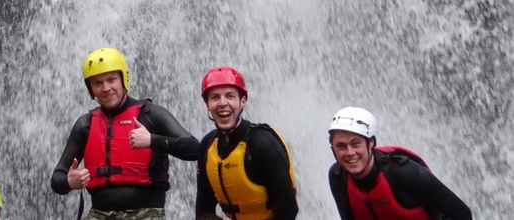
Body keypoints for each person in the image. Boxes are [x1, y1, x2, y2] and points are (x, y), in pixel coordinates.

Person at [51, 47, 200, 219]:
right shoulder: (85, 124)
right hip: (99, 214)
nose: (106, 88)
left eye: (111, 79)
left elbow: (195, 149)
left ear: (124, 79)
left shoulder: (150, 115)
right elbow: (57, 178)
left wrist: (152, 140)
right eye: (97, 83)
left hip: (146, 214)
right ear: (91, 89)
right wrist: (68, 182)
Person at [327, 106, 472, 220]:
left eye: (355, 143)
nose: (350, 152)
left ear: (371, 143)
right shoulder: (338, 177)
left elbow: (462, 214)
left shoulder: (405, 173)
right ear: (333, 149)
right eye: (341, 146)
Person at [195, 67, 298, 220]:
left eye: (230, 96)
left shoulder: (263, 144)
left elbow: (288, 210)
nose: (222, 103)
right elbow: (204, 203)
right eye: (215, 97)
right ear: (207, 104)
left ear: (242, 101)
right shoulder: (207, 145)